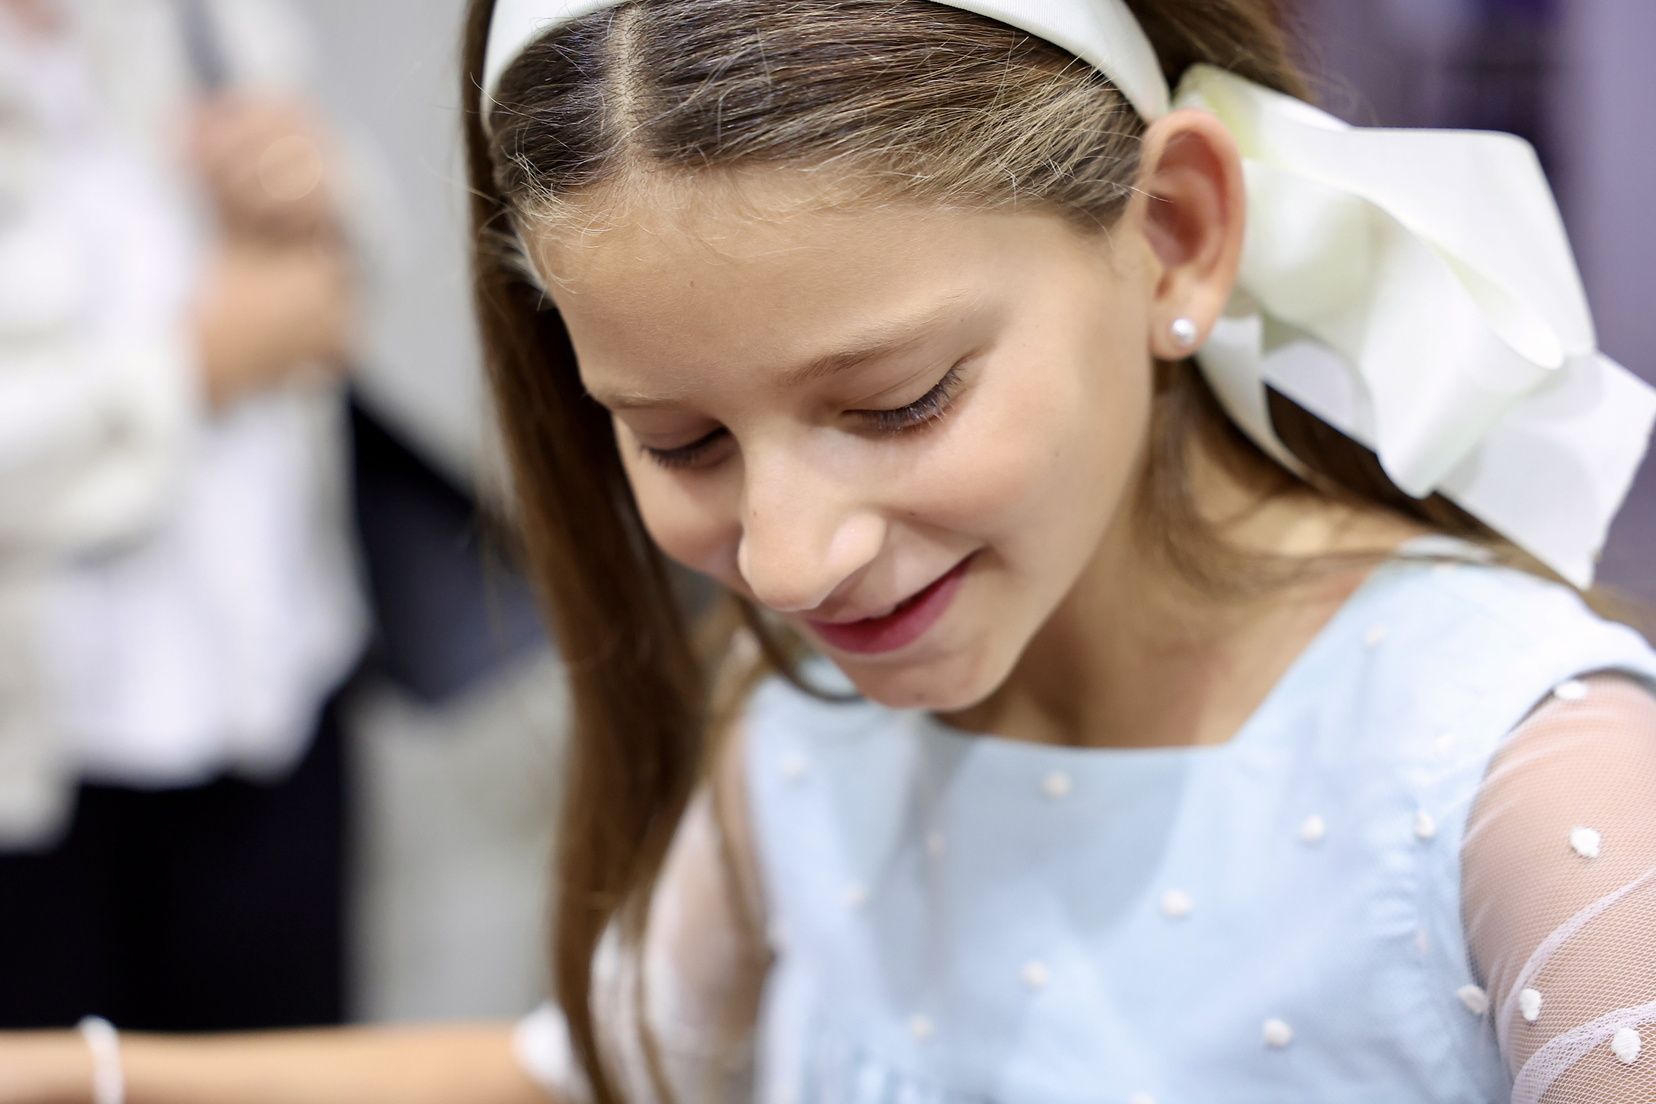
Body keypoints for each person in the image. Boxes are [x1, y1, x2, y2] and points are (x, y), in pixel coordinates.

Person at [3, 0, 1655, 1101]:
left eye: (898, 400)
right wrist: (78, 1068)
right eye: (681, 444)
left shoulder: (1530, 790)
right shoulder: (806, 712)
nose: (787, 561)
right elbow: (594, 1063)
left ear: (1174, 237)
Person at [0, 0, 367, 1031]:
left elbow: (342, 285)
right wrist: (188, 371)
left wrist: (308, 193)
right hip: (44, 777)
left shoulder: (204, 15)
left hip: (277, 692)